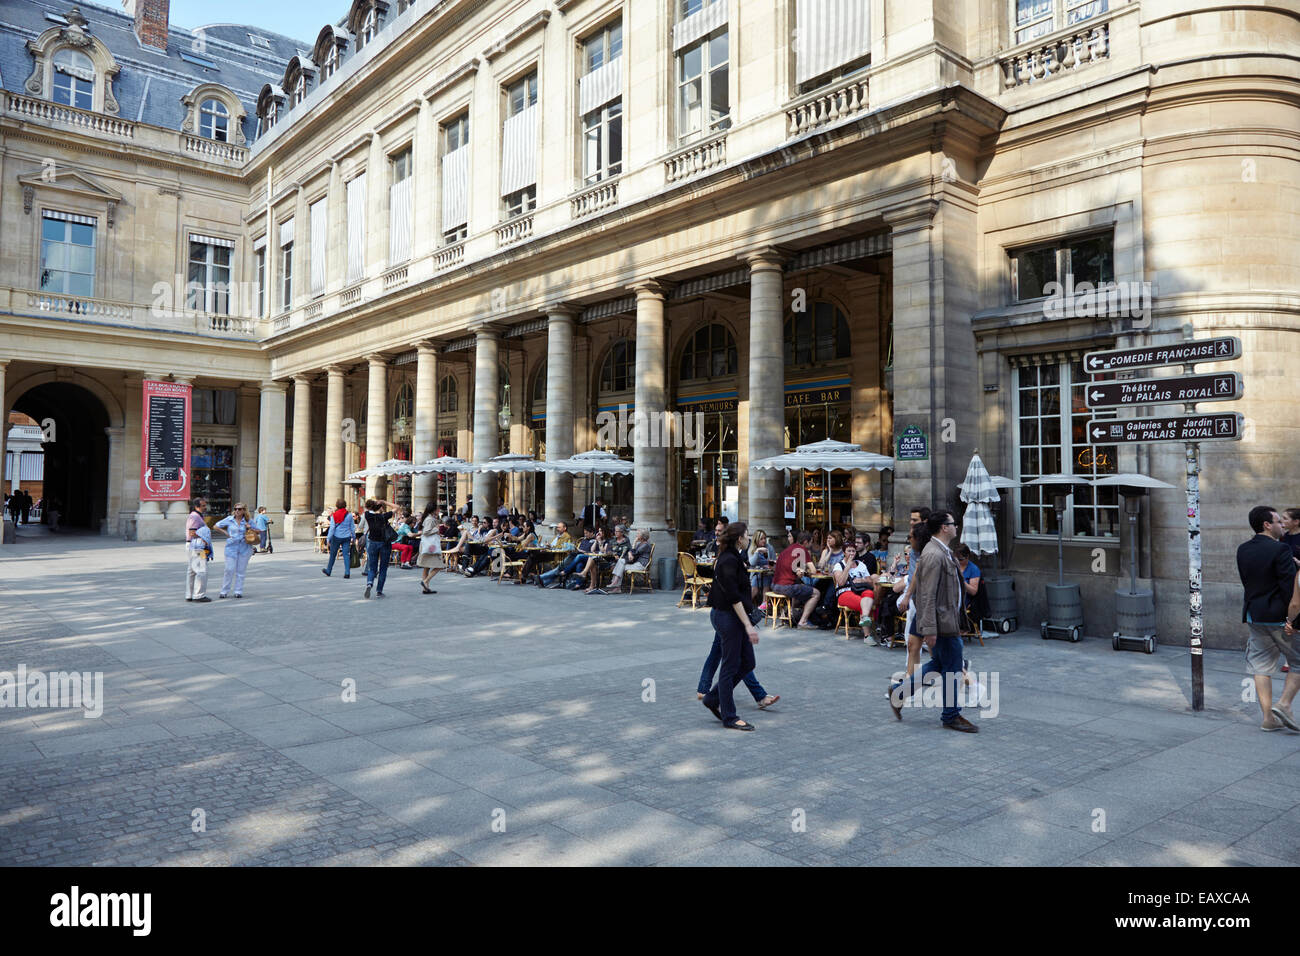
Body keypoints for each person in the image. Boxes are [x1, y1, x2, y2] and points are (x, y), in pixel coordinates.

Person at [891, 511, 976, 732]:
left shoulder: (943, 551)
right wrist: (929, 629)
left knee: (940, 664)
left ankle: (899, 692)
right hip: (941, 624)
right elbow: (926, 595)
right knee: (953, 667)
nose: (956, 526)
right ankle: (951, 715)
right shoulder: (933, 555)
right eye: (953, 523)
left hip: (947, 621)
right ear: (944, 528)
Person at [1237, 505, 1300, 731]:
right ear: (1267, 525)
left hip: (1255, 614)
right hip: (1279, 618)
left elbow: (1249, 581)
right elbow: (1288, 590)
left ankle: (1268, 719)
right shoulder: (1281, 550)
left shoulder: (1243, 549)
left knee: (1261, 667)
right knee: (1299, 662)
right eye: (1278, 522)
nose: (1282, 525)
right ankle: (1283, 704)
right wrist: (1293, 619)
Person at [700, 522, 761, 731]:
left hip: (734, 616)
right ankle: (729, 716)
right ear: (739, 538)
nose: (749, 537)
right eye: (747, 535)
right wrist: (748, 625)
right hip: (727, 617)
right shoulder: (727, 560)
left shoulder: (735, 557)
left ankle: (712, 698)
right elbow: (733, 596)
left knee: (748, 662)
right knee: (730, 666)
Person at [771, 530, 819, 628]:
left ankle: (791, 614)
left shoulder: (787, 549)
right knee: (816, 593)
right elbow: (813, 571)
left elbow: (795, 571)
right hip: (785, 587)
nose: (811, 544)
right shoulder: (803, 550)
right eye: (811, 542)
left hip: (774, 585)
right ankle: (803, 622)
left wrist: (801, 572)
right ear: (806, 541)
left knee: (799, 586)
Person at [214, 503, 256, 599]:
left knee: (240, 571)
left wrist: (249, 528)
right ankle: (224, 591)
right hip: (231, 548)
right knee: (229, 569)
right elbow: (216, 526)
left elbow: (259, 531)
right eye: (235, 509)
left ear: (244, 510)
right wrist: (225, 533)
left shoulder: (248, 521)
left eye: (240, 509)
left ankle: (238, 591)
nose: (237, 511)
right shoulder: (229, 519)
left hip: (244, 548)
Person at [832, 541, 875, 634]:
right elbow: (841, 582)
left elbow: (871, 583)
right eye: (849, 551)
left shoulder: (861, 564)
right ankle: (867, 635)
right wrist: (847, 567)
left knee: (870, 594)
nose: (852, 553)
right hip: (845, 592)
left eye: (853, 551)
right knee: (863, 603)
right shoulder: (839, 565)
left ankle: (864, 618)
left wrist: (862, 580)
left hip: (860, 589)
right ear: (844, 552)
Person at [591, 528, 651, 594]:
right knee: (621, 562)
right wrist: (629, 553)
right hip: (636, 563)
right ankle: (616, 585)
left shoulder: (646, 545)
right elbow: (631, 551)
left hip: (640, 565)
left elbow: (634, 552)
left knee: (620, 564)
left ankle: (615, 584)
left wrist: (633, 544)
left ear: (642, 536)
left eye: (638, 534)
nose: (636, 535)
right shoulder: (640, 544)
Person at [361, 498, 399, 599]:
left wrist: (376, 504)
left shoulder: (367, 515)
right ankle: (379, 591)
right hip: (384, 543)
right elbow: (397, 507)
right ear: (380, 507)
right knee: (383, 568)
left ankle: (369, 583)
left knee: (372, 567)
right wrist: (384, 501)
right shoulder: (384, 516)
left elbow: (368, 507)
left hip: (372, 542)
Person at [184, 497, 211, 603]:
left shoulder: (197, 516)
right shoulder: (195, 517)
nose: (205, 507)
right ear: (197, 506)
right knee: (201, 570)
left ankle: (189, 594)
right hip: (197, 545)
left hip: (193, 545)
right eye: (203, 505)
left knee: (191, 571)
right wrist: (204, 538)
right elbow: (192, 532)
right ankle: (199, 595)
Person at [322, 499, 355, 578]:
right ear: (345, 505)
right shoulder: (349, 515)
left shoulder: (334, 515)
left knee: (333, 554)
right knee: (346, 555)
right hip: (346, 537)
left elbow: (332, 528)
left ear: (337, 506)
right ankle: (347, 572)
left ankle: (329, 570)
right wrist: (353, 537)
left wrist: (328, 539)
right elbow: (352, 528)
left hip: (336, 537)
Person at [415, 502, 443, 594]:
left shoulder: (429, 518)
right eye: (438, 509)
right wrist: (437, 529)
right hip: (431, 547)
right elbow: (426, 532)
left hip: (428, 546)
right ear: (434, 510)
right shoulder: (430, 519)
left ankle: (425, 588)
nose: (439, 510)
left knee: (426, 567)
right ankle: (425, 581)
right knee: (439, 566)